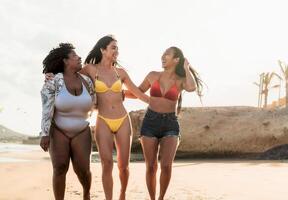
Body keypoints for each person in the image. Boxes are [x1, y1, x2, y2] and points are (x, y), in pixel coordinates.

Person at [45, 35, 150, 200]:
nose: (117, 51)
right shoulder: (89, 69)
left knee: (123, 166)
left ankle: (122, 194)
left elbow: (137, 93)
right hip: (103, 120)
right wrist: (52, 75)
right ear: (103, 50)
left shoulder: (121, 73)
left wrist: (154, 102)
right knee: (106, 163)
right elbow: (68, 74)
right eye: (113, 47)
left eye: (117, 48)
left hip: (122, 119)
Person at [126, 46, 203, 200]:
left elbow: (192, 87)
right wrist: (119, 93)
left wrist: (186, 67)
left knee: (166, 166)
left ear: (176, 60)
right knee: (151, 167)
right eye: (163, 54)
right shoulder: (152, 75)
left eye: (167, 54)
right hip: (150, 122)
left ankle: (161, 197)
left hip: (170, 124)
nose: (163, 56)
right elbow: (137, 92)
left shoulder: (181, 80)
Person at [40, 43, 95, 200]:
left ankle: (86, 194)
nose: (79, 58)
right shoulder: (53, 81)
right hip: (58, 130)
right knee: (60, 168)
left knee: (83, 169)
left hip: (82, 130)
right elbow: (47, 107)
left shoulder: (87, 81)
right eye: (74, 56)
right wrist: (44, 133)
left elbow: (95, 101)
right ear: (65, 61)